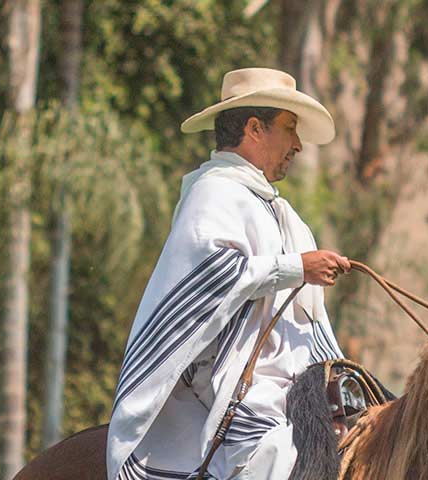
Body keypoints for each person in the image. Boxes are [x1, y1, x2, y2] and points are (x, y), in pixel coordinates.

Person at [106, 68, 350, 480]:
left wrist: (336, 371)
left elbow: (308, 319)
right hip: (232, 386)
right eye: (290, 129)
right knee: (275, 456)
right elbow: (214, 278)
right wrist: (298, 267)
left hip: (294, 385)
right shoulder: (213, 194)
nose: (299, 145)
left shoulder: (284, 214)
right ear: (255, 129)